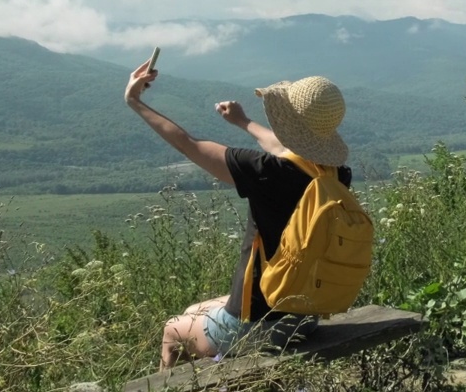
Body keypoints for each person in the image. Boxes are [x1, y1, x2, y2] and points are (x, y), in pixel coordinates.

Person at [124, 59, 354, 370]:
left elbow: (188, 144)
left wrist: (134, 101)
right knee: (196, 310)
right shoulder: (334, 174)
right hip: (306, 317)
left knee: (174, 329)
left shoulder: (264, 172)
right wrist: (243, 122)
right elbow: (287, 150)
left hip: (256, 327)